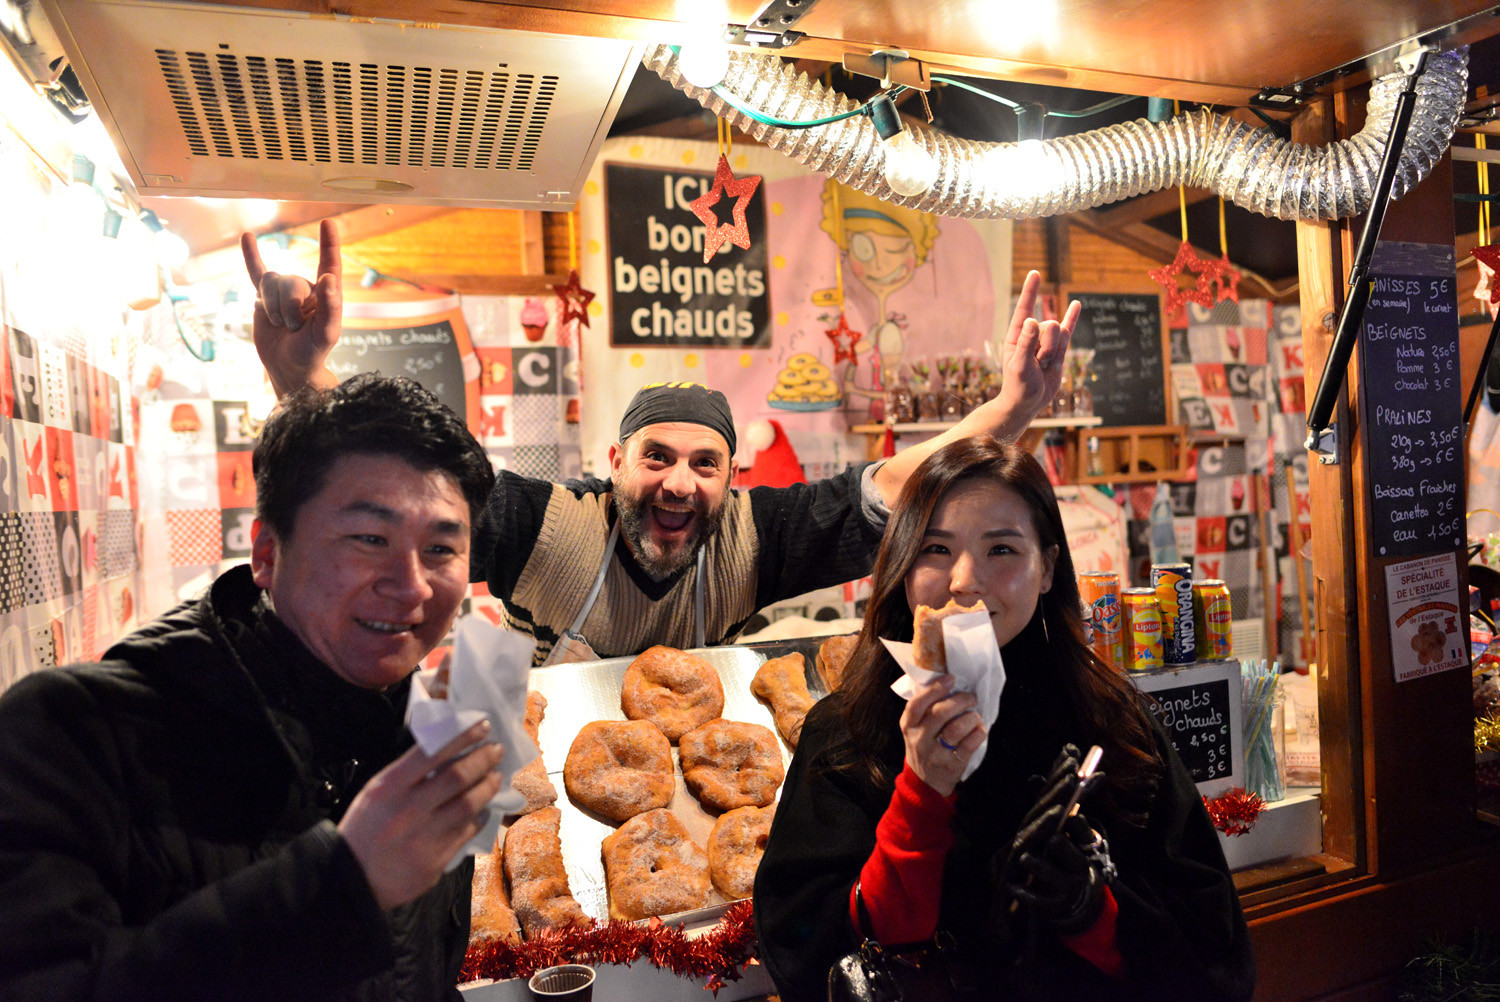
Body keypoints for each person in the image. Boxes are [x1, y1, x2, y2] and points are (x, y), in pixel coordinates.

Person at [243, 221, 1080, 665]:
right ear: (615, 466)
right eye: (657, 457)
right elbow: (406, 478)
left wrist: (1010, 411)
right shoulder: (555, 527)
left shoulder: (759, 539)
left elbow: (900, 482)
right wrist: (301, 381)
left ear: (733, 477)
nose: (680, 483)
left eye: (704, 464)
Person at [0, 374, 504, 1000]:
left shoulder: (411, 729)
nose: (413, 587)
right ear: (266, 553)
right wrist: (339, 890)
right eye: (370, 539)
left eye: (439, 548)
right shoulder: (71, 733)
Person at [754, 437, 1255, 1001]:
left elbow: (1215, 959)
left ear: (1048, 569)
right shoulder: (846, 733)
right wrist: (922, 789)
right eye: (936, 549)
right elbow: (807, 953)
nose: (965, 578)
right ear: (901, 564)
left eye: (1002, 550)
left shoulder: (1114, 723)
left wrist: (1092, 910)